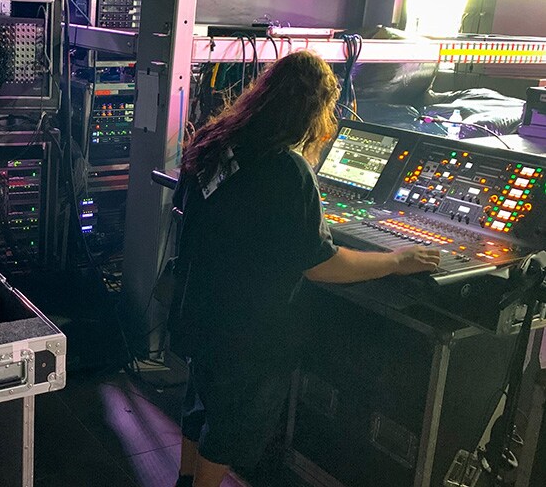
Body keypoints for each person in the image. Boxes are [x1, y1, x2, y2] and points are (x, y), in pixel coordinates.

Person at [169, 50, 440, 487]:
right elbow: (322, 265)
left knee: (202, 401)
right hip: (248, 332)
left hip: (200, 311)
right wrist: (396, 260)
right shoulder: (288, 170)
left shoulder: (217, 140)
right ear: (315, 112)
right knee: (234, 423)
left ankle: (185, 479)